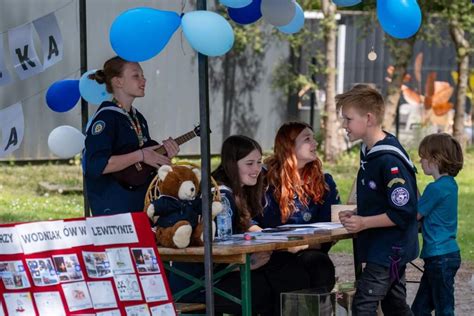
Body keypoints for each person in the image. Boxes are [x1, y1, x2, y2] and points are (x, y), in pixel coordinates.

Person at [337, 84, 419, 315]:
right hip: (383, 246)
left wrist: (364, 223)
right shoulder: (369, 151)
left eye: (348, 119)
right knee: (394, 305)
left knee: (364, 304)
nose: (344, 125)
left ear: (369, 118)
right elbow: (381, 200)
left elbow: (403, 211)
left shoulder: (389, 159)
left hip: (391, 247)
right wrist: (358, 214)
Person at [83, 56, 179, 216]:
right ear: (118, 82)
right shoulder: (106, 118)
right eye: (136, 76)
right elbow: (97, 165)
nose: (144, 80)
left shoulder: (137, 117)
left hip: (139, 204)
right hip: (114, 210)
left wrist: (163, 155)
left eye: (143, 76)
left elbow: (143, 164)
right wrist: (141, 155)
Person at [255, 121, 339, 293]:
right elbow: (249, 221)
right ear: (289, 146)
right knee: (287, 272)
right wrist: (278, 246)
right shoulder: (264, 180)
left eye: (314, 138)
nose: (315, 144)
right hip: (270, 253)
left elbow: (329, 230)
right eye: (307, 139)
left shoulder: (324, 182)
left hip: (310, 251)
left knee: (320, 265)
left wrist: (300, 246)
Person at [411, 133, 463, 316]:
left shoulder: (434, 188)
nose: (420, 161)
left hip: (439, 257)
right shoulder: (450, 184)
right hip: (446, 255)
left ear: (435, 159)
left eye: (423, 157)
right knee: (419, 310)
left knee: (444, 309)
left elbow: (414, 215)